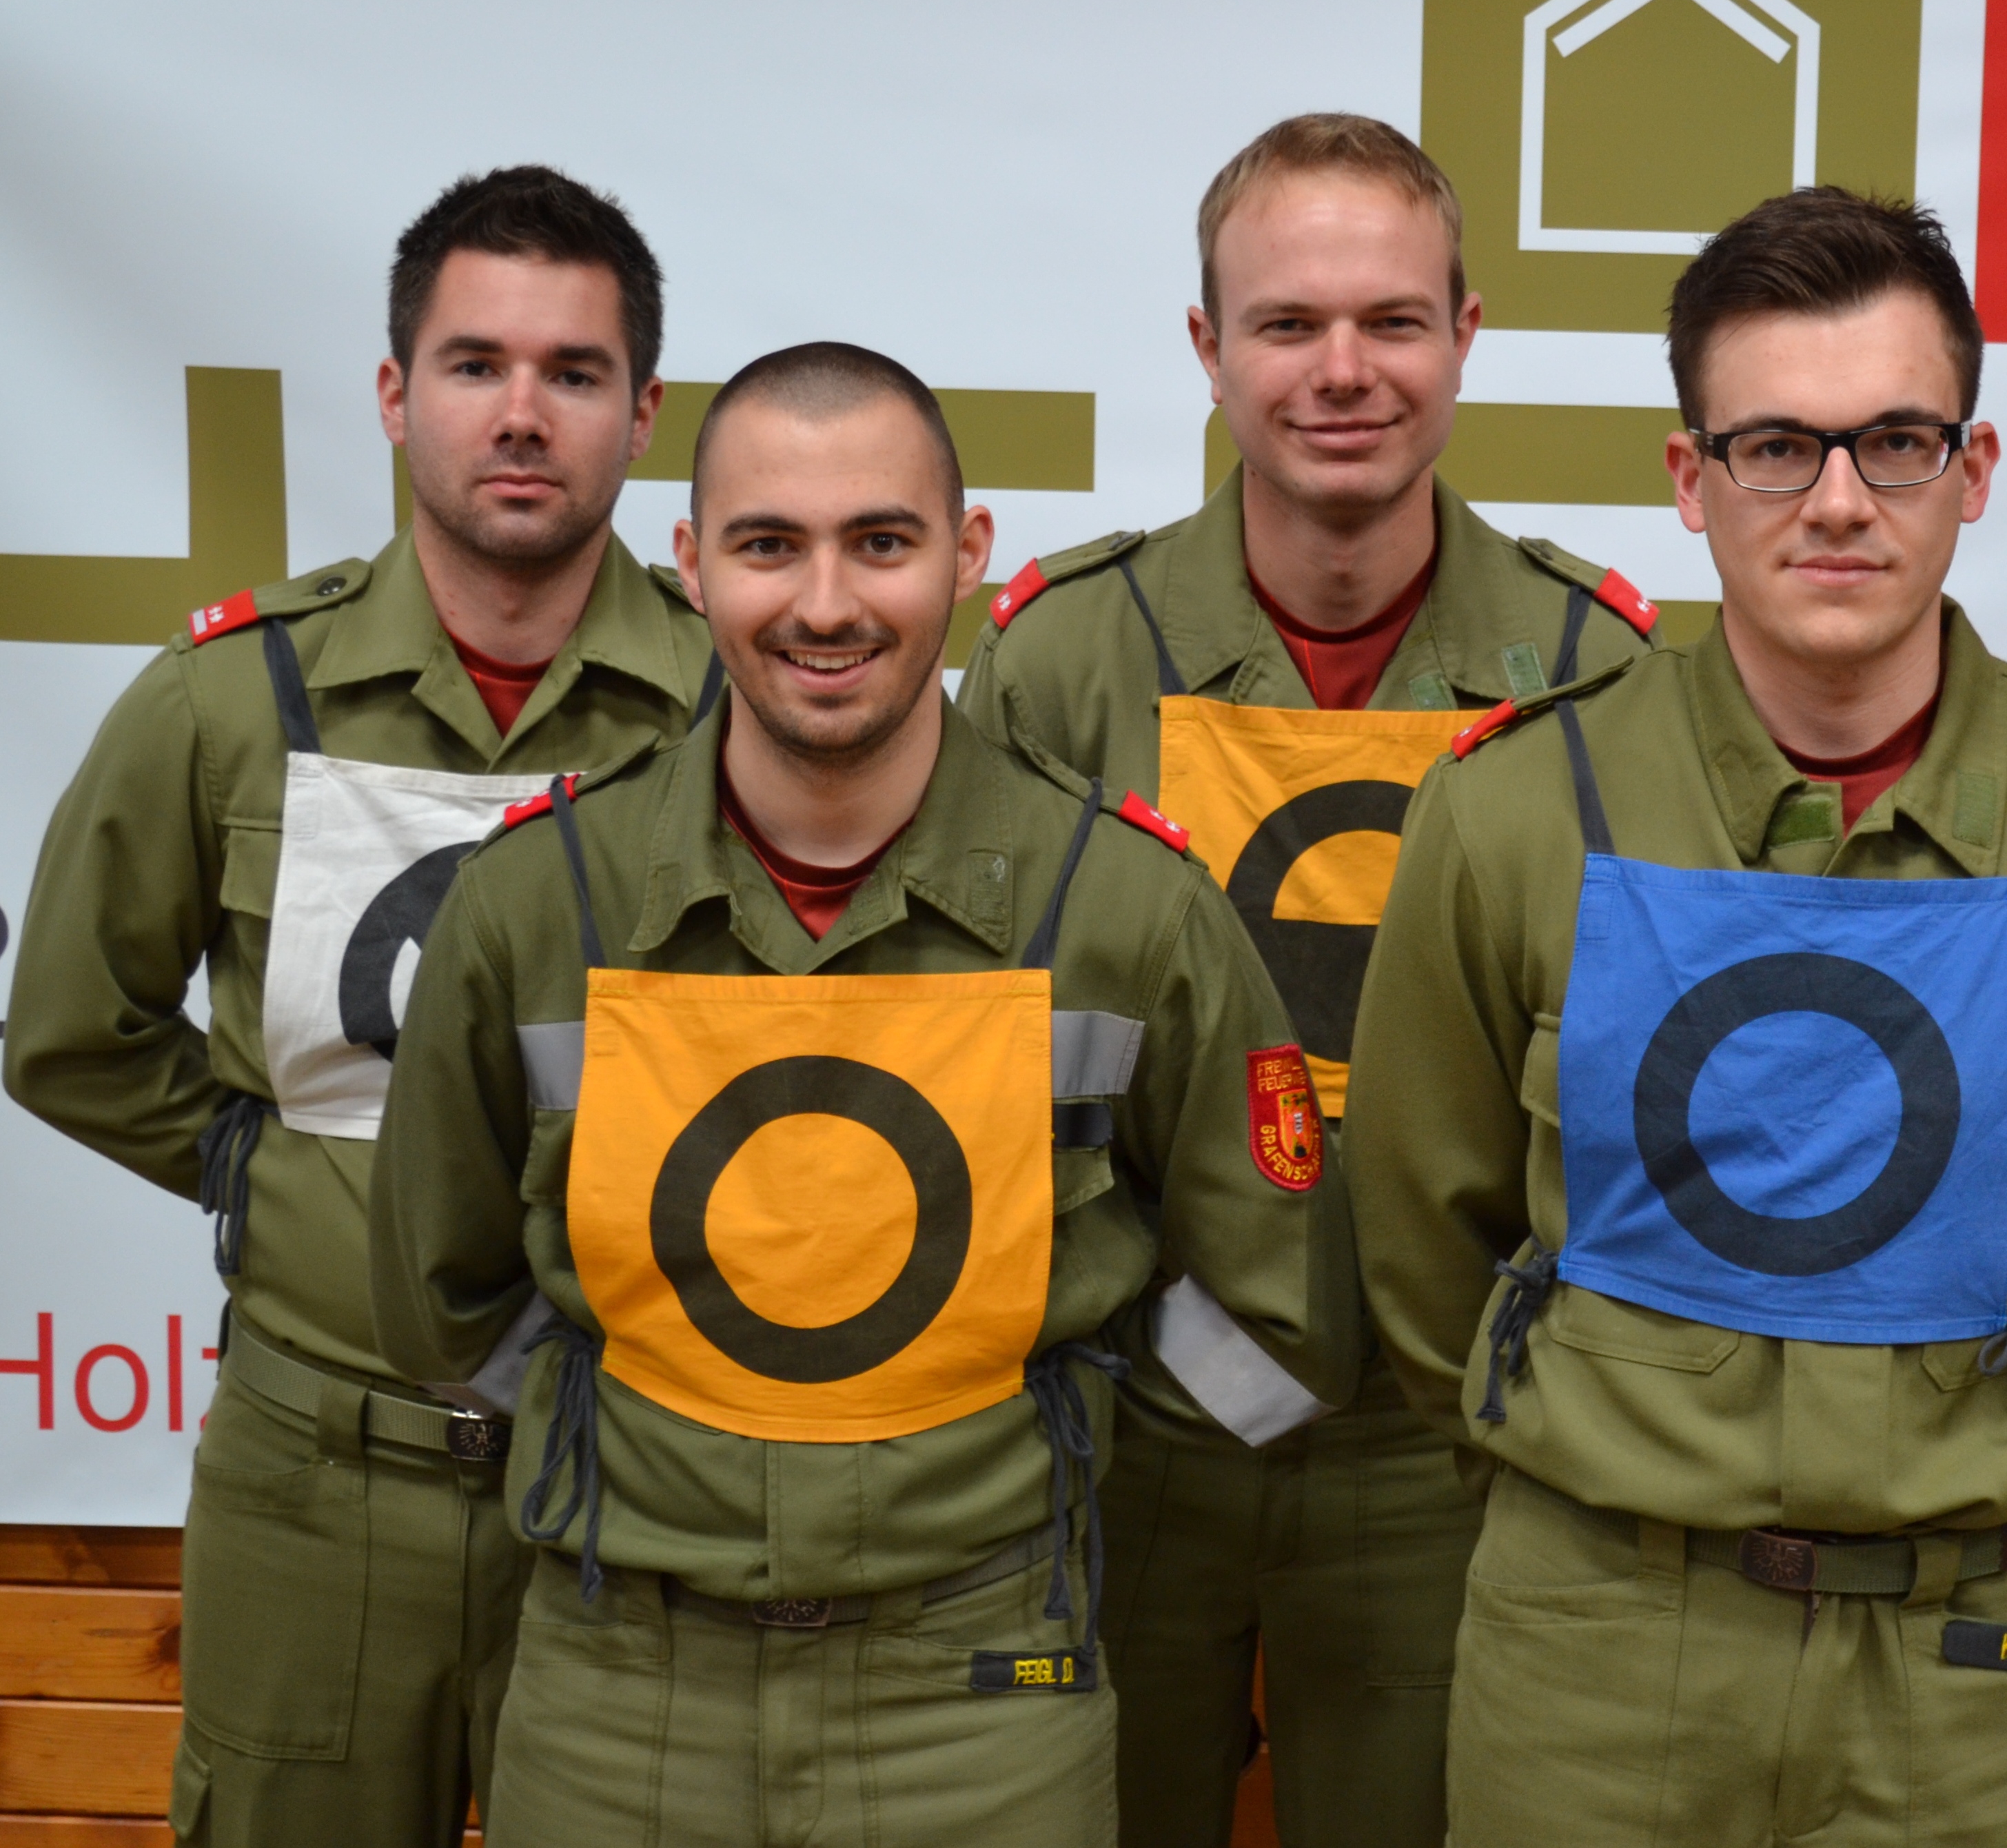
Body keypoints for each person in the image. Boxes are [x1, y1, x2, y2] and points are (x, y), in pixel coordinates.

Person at [1341, 186, 2007, 1848]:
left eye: (1896, 442)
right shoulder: (1512, 813)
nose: (1839, 502)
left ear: (1973, 472)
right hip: (1595, 1664)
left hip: (1984, 1679)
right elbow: (1424, 1233)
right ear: (1687, 477)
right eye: (1775, 446)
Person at [367, 341, 1356, 1845]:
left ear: (966, 553)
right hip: (616, 1687)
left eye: (880, 542)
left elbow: (1286, 1322)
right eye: (769, 545)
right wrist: (647, 1440)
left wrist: (1048, 1424)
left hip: (986, 1691)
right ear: (691, 563)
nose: (825, 604)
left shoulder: (1126, 908)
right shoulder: (535, 903)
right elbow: (438, 1299)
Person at [956, 112, 1654, 1848]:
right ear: (1207, 347)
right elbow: (968, 1061)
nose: (1343, 371)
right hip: (1128, 1427)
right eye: (1286, 324)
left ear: (1465, 336)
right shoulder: (1059, 659)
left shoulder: (1596, 670)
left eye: (1391, 320)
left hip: (1445, 1443)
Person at [3, 166, 711, 1844]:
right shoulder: (229, 699)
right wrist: (266, 1171)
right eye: (475, 365)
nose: (522, 413)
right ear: (397, 395)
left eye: (574, 372)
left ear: (642, 415)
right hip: (312, 1480)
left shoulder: (732, 712)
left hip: (628, 1481)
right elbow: (74, 1031)